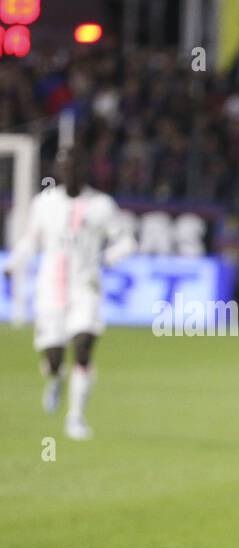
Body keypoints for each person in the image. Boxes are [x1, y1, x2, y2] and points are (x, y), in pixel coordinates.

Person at [4, 146, 135, 440]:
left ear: (83, 170)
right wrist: (12, 264)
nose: (69, 173)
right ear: (58, 172)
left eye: (74, 167)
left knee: (84, 345)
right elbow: (30, 240)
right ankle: (55, 378)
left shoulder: (101, 205)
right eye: (64, 168)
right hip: (50, 288)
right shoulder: (44, 203)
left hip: (85, 287)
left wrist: (106, 258)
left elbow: (127, 241)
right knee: (54, 357)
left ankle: (75, 418)